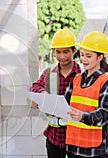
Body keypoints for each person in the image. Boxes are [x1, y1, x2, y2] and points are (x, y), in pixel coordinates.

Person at [30, 28, 81, 158]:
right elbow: (35, 86)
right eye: (58, 52)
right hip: (54, 137)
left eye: (66, 52)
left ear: (74, 51)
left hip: (76, 137)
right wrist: (42, 93)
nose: (62, 56)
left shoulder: (83, 75)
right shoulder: (49, 73)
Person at [65, 31, 108, 158]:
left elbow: (104, 114)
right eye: (82, 55)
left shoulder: (107, 82)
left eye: (88, 56)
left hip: (94, 150)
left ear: (100, 57)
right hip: (73, 147)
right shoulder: (76, 80)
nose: (83, 59)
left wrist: (82, 116)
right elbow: (64, 105)